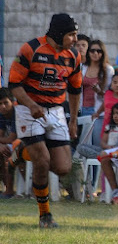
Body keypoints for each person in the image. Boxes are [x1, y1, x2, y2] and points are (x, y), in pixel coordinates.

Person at [9, 13, 81, 228]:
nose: (75, 39)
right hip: (27, 108)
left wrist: (73, 120)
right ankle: (45, 216)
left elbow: (76, 89)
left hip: (56, 111)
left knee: (63, 168)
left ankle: (22, 151)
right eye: (71, 35)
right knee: (42, 160)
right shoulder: (30, 49)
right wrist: (31, 105)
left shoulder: (74, 56)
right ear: (58, 34)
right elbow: (14, 84)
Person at [93, 71, 118, 138]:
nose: (117, 85)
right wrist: (97, 113)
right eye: (114, 82)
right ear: (111, 84)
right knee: (105, 145)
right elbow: (105, 104)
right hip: (106, 125)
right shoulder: (108, 93)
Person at [0, 88, 17, 198]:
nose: (3, 106)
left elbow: (11, 138)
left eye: (6, 102)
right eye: (0, 104)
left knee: (6, 155)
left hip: (22, 144)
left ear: (12, 101)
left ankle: (9, 190)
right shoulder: (1, 115)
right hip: (11, 145)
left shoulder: (17, 113)